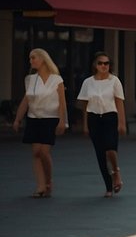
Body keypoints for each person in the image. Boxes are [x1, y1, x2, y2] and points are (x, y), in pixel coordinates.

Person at [11, 48, 67, 198]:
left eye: (33, 58)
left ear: (43, 59)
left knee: (44, 152)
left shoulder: (57, 79)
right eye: (30, 58)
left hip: (50, 118)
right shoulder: (30, 79)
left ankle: (49, 181)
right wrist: (18, 118)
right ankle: (40, 185)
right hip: (34, 118)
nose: (31, 61)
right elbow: (26, 100)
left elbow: (62, 102)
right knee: (35, 152)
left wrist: (63, 121)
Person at [77, 51, 127, 198]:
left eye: (106, 63)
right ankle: (108, 186)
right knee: (100, 154)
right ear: (95, 65)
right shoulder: (88, 82)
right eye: (100, 63)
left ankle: (116, 172)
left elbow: (119, 102)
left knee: (110, 148)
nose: (104, 66)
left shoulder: (114, 81)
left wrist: (122, 123)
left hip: (110, 117)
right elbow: (85, 105)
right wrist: (85, 125)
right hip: (94, 118)